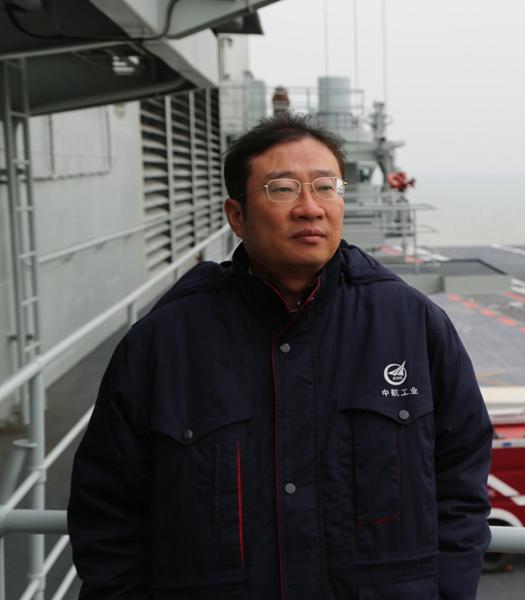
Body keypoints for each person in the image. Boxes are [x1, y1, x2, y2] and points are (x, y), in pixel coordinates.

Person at [68, 113, 493, 599]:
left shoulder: (413, 325)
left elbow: (462, 480)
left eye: (326, 187)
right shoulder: (163, 342)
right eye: (283, 189)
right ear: (236, 216)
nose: (310, 209)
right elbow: (108, 511)